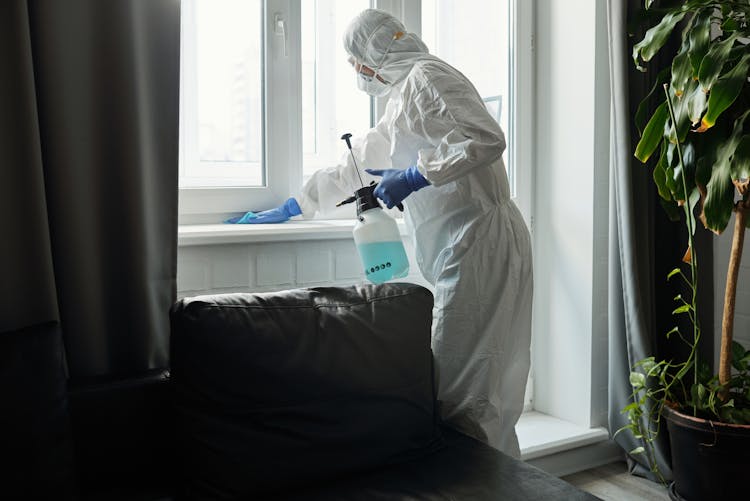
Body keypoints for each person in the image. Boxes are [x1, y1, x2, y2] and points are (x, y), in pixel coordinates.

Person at [235, 8, 533, 458]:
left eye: (356, 61)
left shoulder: (427, 77)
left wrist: (416, 175)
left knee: (463, 390)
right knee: (482, 385)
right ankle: (499, 482)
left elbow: (485, 137)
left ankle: (474, 483)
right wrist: (297, 204)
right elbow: (357, 164)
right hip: (470, 244)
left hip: (480, 241)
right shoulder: (403, 98)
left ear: (374, 53)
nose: (357, 71)